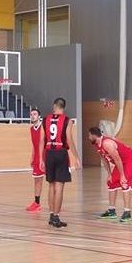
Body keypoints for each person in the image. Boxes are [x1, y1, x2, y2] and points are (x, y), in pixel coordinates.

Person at [39, 97, 81, 228]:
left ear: (54, 106)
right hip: (61, 153)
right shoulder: (67, 121)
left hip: (49, 153)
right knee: (59, 187)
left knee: (51, 185)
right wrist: (76, 157)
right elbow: (69, 139)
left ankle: (52, 215)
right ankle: (56, 216)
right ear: (64, 107)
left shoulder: (45, 120)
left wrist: (41, 158)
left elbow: (41, 140)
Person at [89, 126, 132, 223]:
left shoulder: (106, 143)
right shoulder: (97, 144)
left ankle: (127, 212)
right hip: (120, 162)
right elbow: (104, 160)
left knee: (124, 183)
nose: (88, 137)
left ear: (94, 135)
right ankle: (111, 211)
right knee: (111, 182)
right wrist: (109, 174)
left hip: (129, 160)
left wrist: (122, 175)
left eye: (89, 135)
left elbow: (117, 159)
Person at [26, 107, 44, 212]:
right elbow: (34, 145)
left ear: (39, 116)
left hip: (45, 155)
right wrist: (32, 156)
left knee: (53, 180)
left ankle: (56, 202)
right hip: (37, 156)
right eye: (31, 114)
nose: (32, 116)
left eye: (35, 114)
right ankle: (37, 203)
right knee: (37, 180)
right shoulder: (32, 129)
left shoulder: (43, 127)